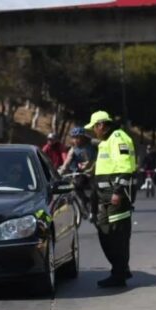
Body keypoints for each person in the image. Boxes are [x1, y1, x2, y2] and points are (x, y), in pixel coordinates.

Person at [85, 111, 136, 288]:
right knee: (105, 232)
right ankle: (120, 268)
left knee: (117, 235)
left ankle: (119, 274)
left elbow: (126, 167)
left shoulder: (118, 137)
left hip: (116, 198)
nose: (93, 131)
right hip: (104, 197)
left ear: (101, 125)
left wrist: (118, 191)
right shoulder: (107, 140)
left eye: (94, 128)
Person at [59, 126, 96, 217]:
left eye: (78, 137)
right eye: (74, 138)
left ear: (83, 137)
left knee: (96, 189)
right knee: (76, 185)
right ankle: (84, 202)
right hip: (83, 173)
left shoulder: (93, 144)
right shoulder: (73, 149)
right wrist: (60, 172)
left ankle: (96, 207)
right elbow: (67, 162)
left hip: (95, 171)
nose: (75, 140)